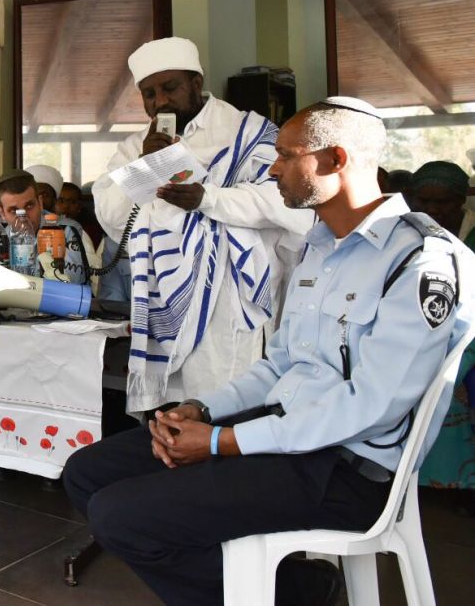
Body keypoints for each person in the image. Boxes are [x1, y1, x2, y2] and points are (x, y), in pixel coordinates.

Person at [64, 96, 474, 606]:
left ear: (335, 159)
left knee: (120, 516)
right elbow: (279, 363)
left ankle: (287, 594)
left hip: (344, 468)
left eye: (285, 156)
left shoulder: (421, 260)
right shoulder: (320, 248)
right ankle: (296, 591)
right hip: (283, 434)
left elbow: (371, 406)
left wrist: (223, 442)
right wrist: (204, 410)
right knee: (87, 473)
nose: (273, 169)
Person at [92, 37, 313, 414]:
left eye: (170, 88)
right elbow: (112, 217)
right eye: (149, 94)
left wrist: (207, 199)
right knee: (168, 414)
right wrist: (145, 167)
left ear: (196, 83)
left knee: (224, 408)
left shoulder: (246, 132)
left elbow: (286, 203)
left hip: (228, 299)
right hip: (160, 298)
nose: (160, 101)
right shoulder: (135, 146)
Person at [404, 160, 475, 511]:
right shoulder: (408, 234)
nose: (433, 209)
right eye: (424, 201)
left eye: (442, 202)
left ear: (461, 201)